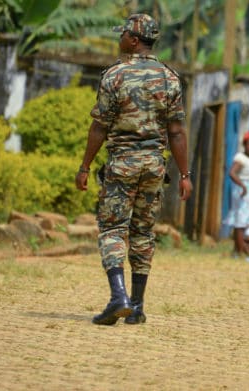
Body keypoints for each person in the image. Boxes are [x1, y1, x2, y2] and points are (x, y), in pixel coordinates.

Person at [75, 13, 192, 326]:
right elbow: (177, 130)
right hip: (155, 166)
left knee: (113, 229)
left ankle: (118, 297)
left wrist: (85, 166)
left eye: (123, 34)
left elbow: (99, 127)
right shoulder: (169, 77)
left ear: (134, 40)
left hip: (122, 164)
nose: (120, 38)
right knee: (143, 232)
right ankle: (137, 307)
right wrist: (185, 175)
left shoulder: (115, 75)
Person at [224, 131, 249, 262]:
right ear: (245, 145)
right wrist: (243, 186)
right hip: (243, 193)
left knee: (245, 223)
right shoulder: (241, 158)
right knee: (240, 223)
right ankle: (240, 252)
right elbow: (232, 173)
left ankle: (236, 251)